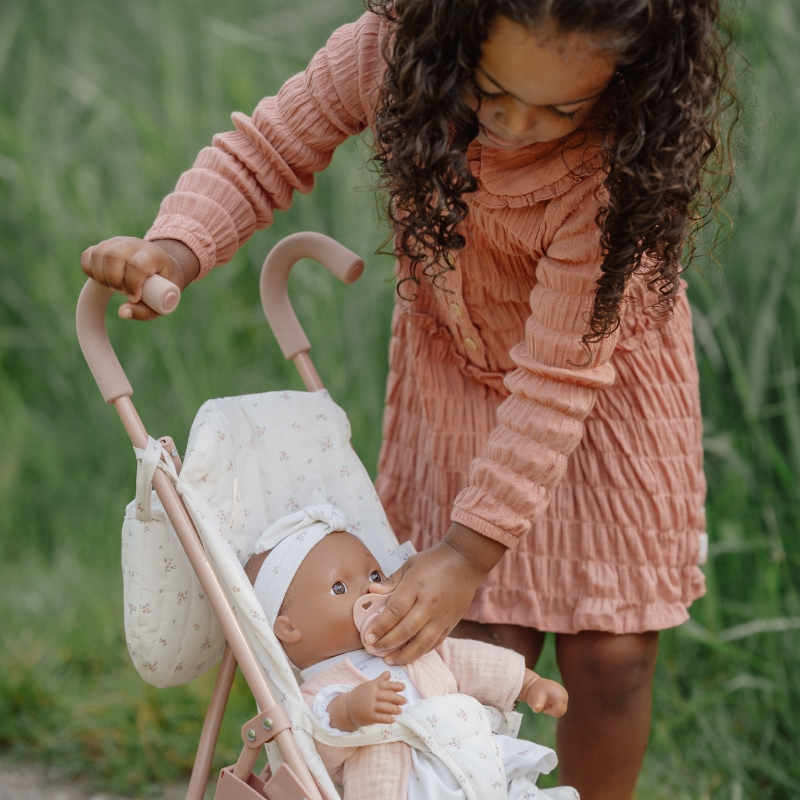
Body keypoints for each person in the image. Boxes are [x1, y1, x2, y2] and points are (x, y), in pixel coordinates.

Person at [80, 1, 734, 797]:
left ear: (634, 87)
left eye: (563, 108)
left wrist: (468, 549)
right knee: (475, 633)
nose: (518, 127)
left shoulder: (612, 171)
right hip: (455, 377)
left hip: (604, 397)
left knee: (613, 655)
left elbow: (559, 380)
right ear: (448, 37)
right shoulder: (387, 53)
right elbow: (268, 151)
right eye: (491, 92)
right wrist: (176, 248)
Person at [244, 503, 573, 800]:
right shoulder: (315, 693)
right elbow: (313, 750)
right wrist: (349, 711)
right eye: (339, 587)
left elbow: (468, 660)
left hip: (475, 765)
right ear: (288, 628)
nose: (370, 589)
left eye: (375, 575)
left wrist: (527, 684)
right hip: (399, 788)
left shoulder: (406, 644)